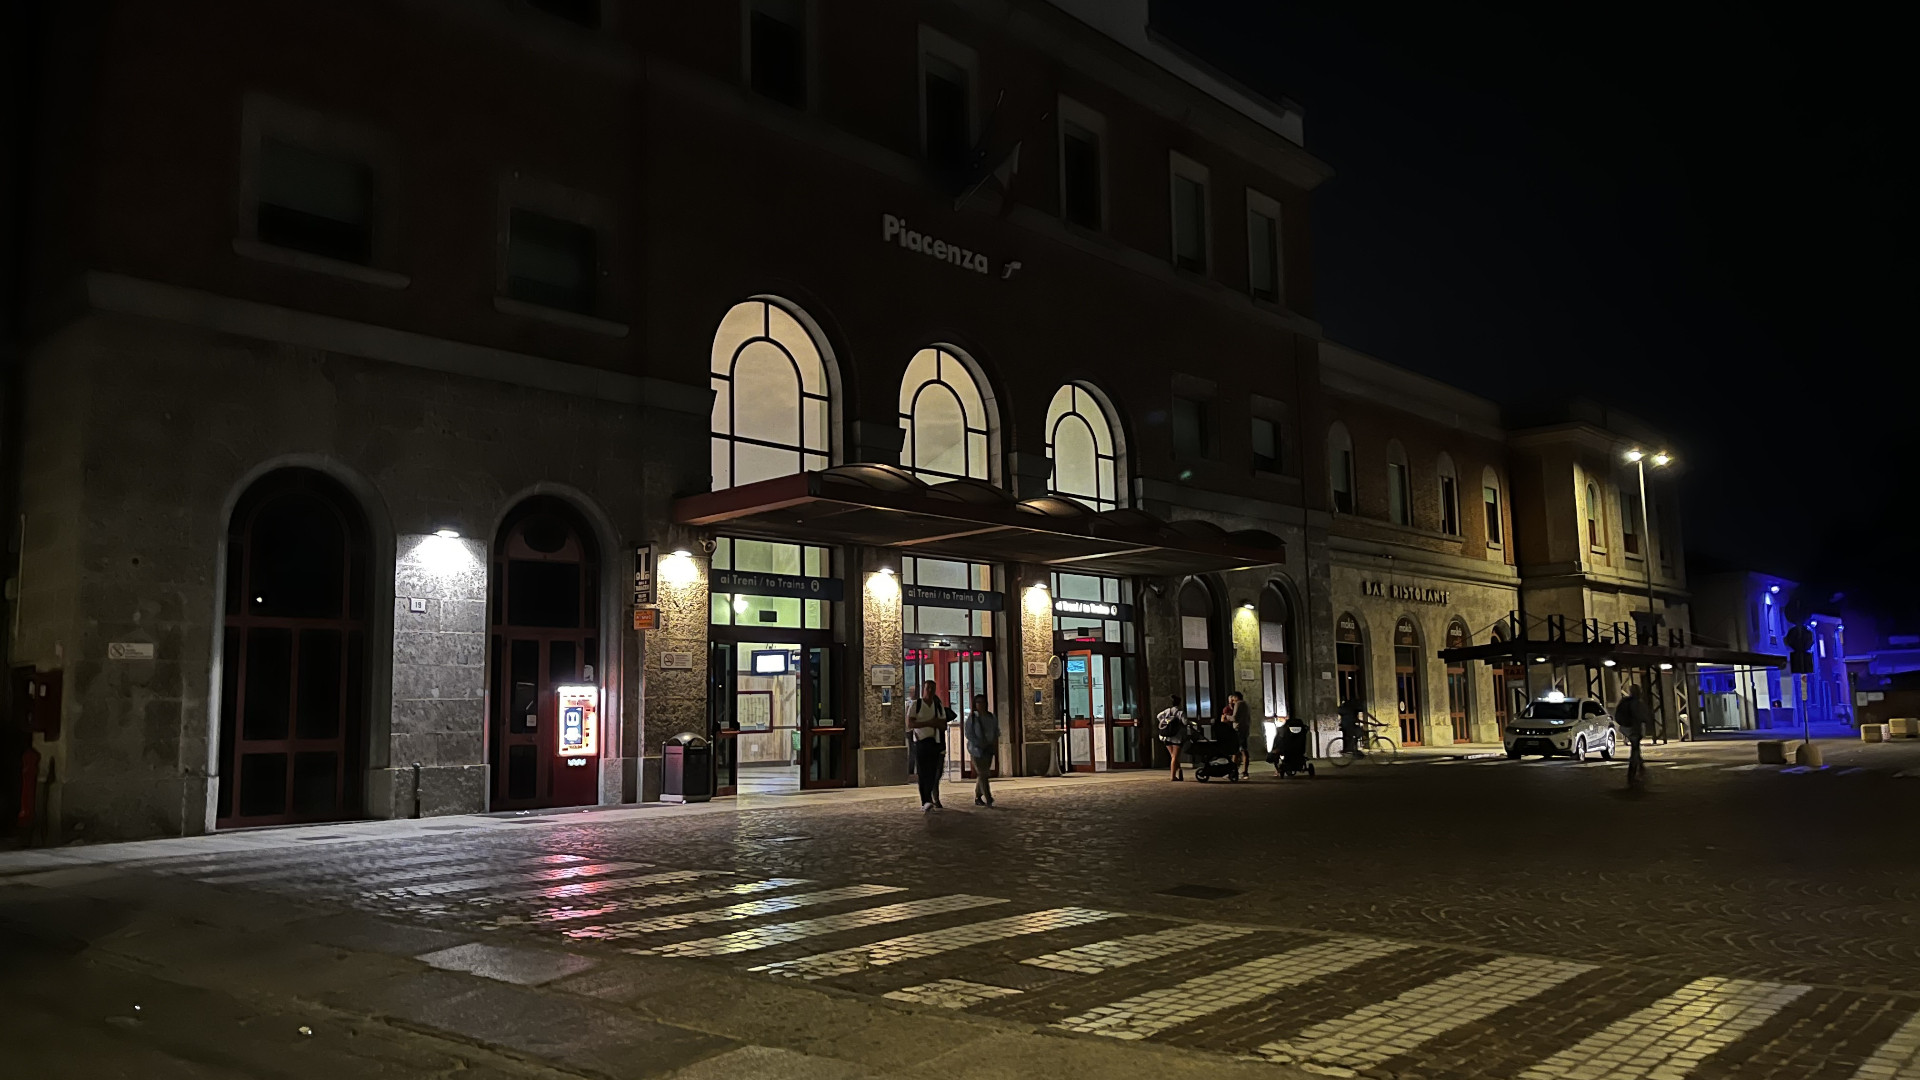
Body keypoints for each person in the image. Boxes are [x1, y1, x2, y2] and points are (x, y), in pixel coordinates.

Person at [907, 680, 949, 811]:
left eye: (932, 688)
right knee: (922, 772)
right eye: (927, 688)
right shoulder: (916, 704)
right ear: (923, 689)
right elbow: (910, 723)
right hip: (921, 741)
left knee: (933, 772)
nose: (930, 690)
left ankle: (929, 797)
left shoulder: (937, 705)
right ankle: (925, 800)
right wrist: (930, 723)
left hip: (934, 741)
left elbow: (943, 724)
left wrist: (937, 724)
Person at [964, 693, 999, 807]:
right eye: (978, 702)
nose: (981, 705)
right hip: (976, 750)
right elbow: (969, 733)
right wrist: (979, 743)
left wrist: (993, 742)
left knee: (982, 774)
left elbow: (996, 731)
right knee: (983, 773)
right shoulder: (973, 718)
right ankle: (988, 797)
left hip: (988, 748)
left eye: (982, 702)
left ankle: (978, 796)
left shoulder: (991, 717)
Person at [1616, 681, 1652, 786]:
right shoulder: (1636, 703)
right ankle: (1632, 774)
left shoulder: (1625, 701)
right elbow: (1642, 716)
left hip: (1626, 728)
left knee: (1636, 749)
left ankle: (1639, 768)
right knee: (1635, 751)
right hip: (1634, 729)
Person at [1156, 695, 1188, 781]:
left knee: (1172, 756)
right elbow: (1185, 723)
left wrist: (1164, 722)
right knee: (1175, 757)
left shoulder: (1167, 711)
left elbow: (1158, 716)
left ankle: (1179, 771)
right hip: (1176, 737)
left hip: (1166, 737)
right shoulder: (1180, 712)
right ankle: (1173, 776)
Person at [1222, 690, 1252, 778]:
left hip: (1238, 729)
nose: (1232, 700)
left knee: (1239, 750)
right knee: (1240, 750)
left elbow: (1235, 717)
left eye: (1233, 698)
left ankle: (1238, 771)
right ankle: (1238, 771)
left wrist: (1226, 717)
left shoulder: (1238, 704)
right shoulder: (1246, 704)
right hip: (1245, 729)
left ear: (1236, 697)